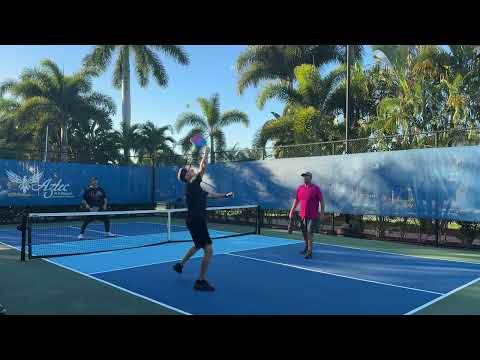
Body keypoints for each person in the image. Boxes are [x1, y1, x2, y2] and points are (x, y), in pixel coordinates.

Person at [172, 146, 234, 291]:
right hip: (197, 220)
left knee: (199, 245)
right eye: (188, 171)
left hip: (192, 220)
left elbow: (210, 195)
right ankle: (200, 281)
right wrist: (206, 153)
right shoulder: (192, 184)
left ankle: (180, 264)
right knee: (209, 250)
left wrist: (225, 195)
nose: (190, 169)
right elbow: (203, 167)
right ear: (187, 176)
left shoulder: (195, 187)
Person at [289, 171, 325, 259]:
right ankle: (306, 247)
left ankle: (310, 251)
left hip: (313, 216)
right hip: (302, 215)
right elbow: (296, 200)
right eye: (304, 177)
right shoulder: (300, 188)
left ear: (311, 178)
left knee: (309, 232)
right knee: (304, 233)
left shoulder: (316, 188)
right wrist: (291, 211)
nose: (305, 178)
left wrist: (322, 213)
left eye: (307, 176)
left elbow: (322, 201)